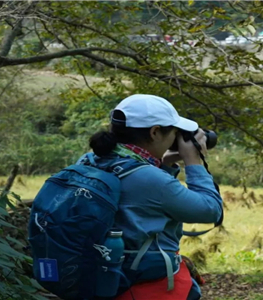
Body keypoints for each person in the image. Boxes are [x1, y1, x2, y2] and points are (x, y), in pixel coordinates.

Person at [82, 94, 223, 300]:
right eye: (174, 132)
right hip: (142, 283)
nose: (176, 138)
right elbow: (210, 210)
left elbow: (138, 200)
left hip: (98, 275)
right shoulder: (149, 177)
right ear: (155, 132)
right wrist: (193, 161)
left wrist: (163, 164)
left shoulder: (89, 161)